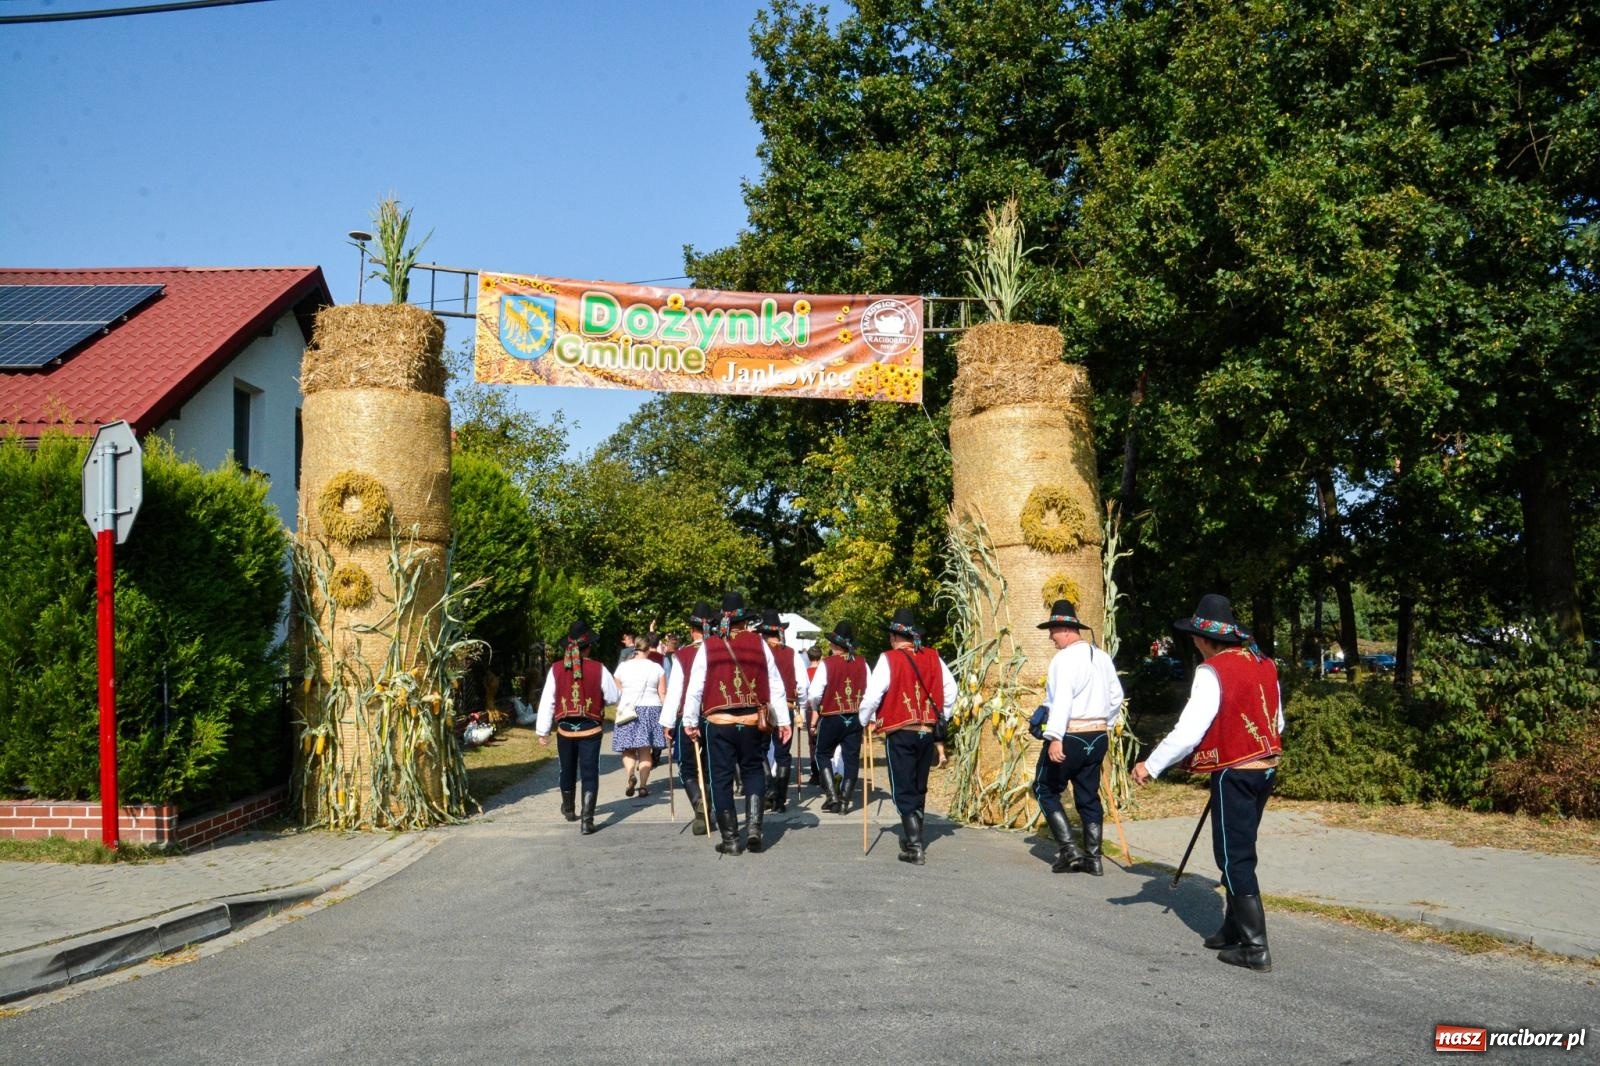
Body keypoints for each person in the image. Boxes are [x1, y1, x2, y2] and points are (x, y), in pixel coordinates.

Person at [1133, 594, 1285, 973]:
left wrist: (1150, 766)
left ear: (1203, 639)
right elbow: (1277, 722)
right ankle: (1233, 928)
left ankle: (1255, 946)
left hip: (1236, 772)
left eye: (1195, 639)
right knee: (1238, 847)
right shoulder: (1263, 663)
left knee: (1234, 855)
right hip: (1266, 768)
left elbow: (1188, 732)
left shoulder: (1212, 671)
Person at [681, 592, 791, 855]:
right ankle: (754, 828)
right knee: (753, 770)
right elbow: (775, 684)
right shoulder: (760, 644)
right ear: (745, 620)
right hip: (753, 721)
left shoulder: (709, 646)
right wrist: (784, 720)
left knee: (721, 778)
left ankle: (731, 839)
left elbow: (695, 687)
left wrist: (689, 720)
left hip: (720, 722)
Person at [1031, 599, 1124, 875]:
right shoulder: (1103, 657)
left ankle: (1069, 850)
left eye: (1053, 630)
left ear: (1066, 629)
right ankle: (1093, 858)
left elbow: (1062, 700)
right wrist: (1105, 722)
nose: (1050, 637)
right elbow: (1117, 696)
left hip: (1070, 734)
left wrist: (1055, 736)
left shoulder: (1063, 659)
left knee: (1044, 788)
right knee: (1087, 796)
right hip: (1097, 736)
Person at [858, 608, 957, 865]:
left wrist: (865, 718)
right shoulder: (933, 656)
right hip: (926, 731)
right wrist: (941, 715)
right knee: (918, 785)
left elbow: (873, 695)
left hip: (901, 731)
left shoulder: (888, 658)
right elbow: (951, 688)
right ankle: (914, 837)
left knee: (903, 788)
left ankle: (914, 846)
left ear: (893, 637)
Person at [536, 621, 621, 835]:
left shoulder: (556, 668)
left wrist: (542, 731)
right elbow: (612, 697)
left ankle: (569, 808)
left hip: (565, 729)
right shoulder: (599, 668)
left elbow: (548, 701)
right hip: (590, 728)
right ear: (588, 646)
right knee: (590, 772)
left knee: (567, 768)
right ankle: (587, 820)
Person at [661, 603, 714, 835]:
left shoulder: (682, 655)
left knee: (687, 767)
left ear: (693, 630)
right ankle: (707, 805)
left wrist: (668, 723)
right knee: (713, 767)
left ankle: (699, 807)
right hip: (716, 717)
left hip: (688, 717)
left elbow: (675, 691)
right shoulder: (720, 649)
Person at [807, 620, 868, 815]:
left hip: (832, 716)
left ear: (834, 645)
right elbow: (871, 692)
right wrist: (867, 717)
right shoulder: (862, 663)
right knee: (851, 759)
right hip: (855, 717)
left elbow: (814, 694)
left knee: (822, 754)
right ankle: (844, 801)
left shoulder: (827, 664)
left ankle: (832, 796)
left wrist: (818, 708)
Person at [757, 609, 809, 813]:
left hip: (762, 708)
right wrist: (801, 708)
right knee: (783, 754)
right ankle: (779, 800)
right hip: (786, 707)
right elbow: (803, 685)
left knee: (759, 750)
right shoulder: (791, 654)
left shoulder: (758, 653)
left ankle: (770, 786)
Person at [612, 634, 668, 798]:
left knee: (628, 749)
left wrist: (624, 699)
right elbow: (662, 693)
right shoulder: (656, 668)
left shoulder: (623, 667)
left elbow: (617, 689)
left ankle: (630, 774)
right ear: (649, 648)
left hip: (628, 710)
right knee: (645, 750)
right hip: (651, 709)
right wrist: (668, 716)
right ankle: (643, 786)